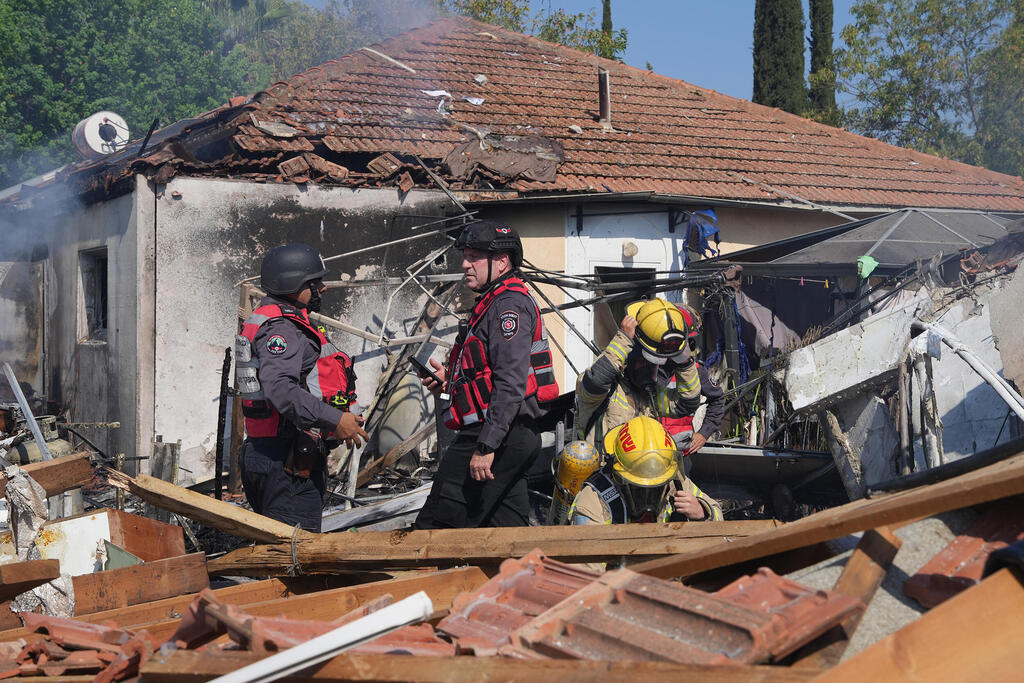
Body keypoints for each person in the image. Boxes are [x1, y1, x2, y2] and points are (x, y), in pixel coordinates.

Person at [414, 221, 559, 529]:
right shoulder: (492, 302)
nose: (465, 264)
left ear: (502, 261)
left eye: (475, 257)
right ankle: (518, 578)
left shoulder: (509, 307)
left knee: (439, 524)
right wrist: (447, 383)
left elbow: (511, 382)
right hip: (507, 434)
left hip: (498, 435)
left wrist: (486, 446)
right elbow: (486, 374)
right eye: (465, 256)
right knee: (504, 530)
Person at [236, 243, 368, 532]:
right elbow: (280, 390)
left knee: (279, 550)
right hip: (287, 462)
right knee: (295, 558)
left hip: (271, 453)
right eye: (314, 282)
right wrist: (337, 420)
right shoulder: (282, 327)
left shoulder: (275, 319)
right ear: (292, 284)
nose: (322, 288)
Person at [573, 297, 725, 520]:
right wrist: (624, 339)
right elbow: (595, 380)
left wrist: (684, 361)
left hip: (647, 484)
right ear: (628, 358)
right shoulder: (603, 393)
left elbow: (687, 402)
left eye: (656, 365)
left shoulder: (650, 396)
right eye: (644, 362)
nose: (651, 371)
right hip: (606, 485)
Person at [569, 415, 722, 525]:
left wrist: (702, 511)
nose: (648, 496)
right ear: (618, 475)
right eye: (640, 487)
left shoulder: (675, 482)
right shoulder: (593, 501)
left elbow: (718, 516)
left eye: (657, 486)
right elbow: (589, 566)